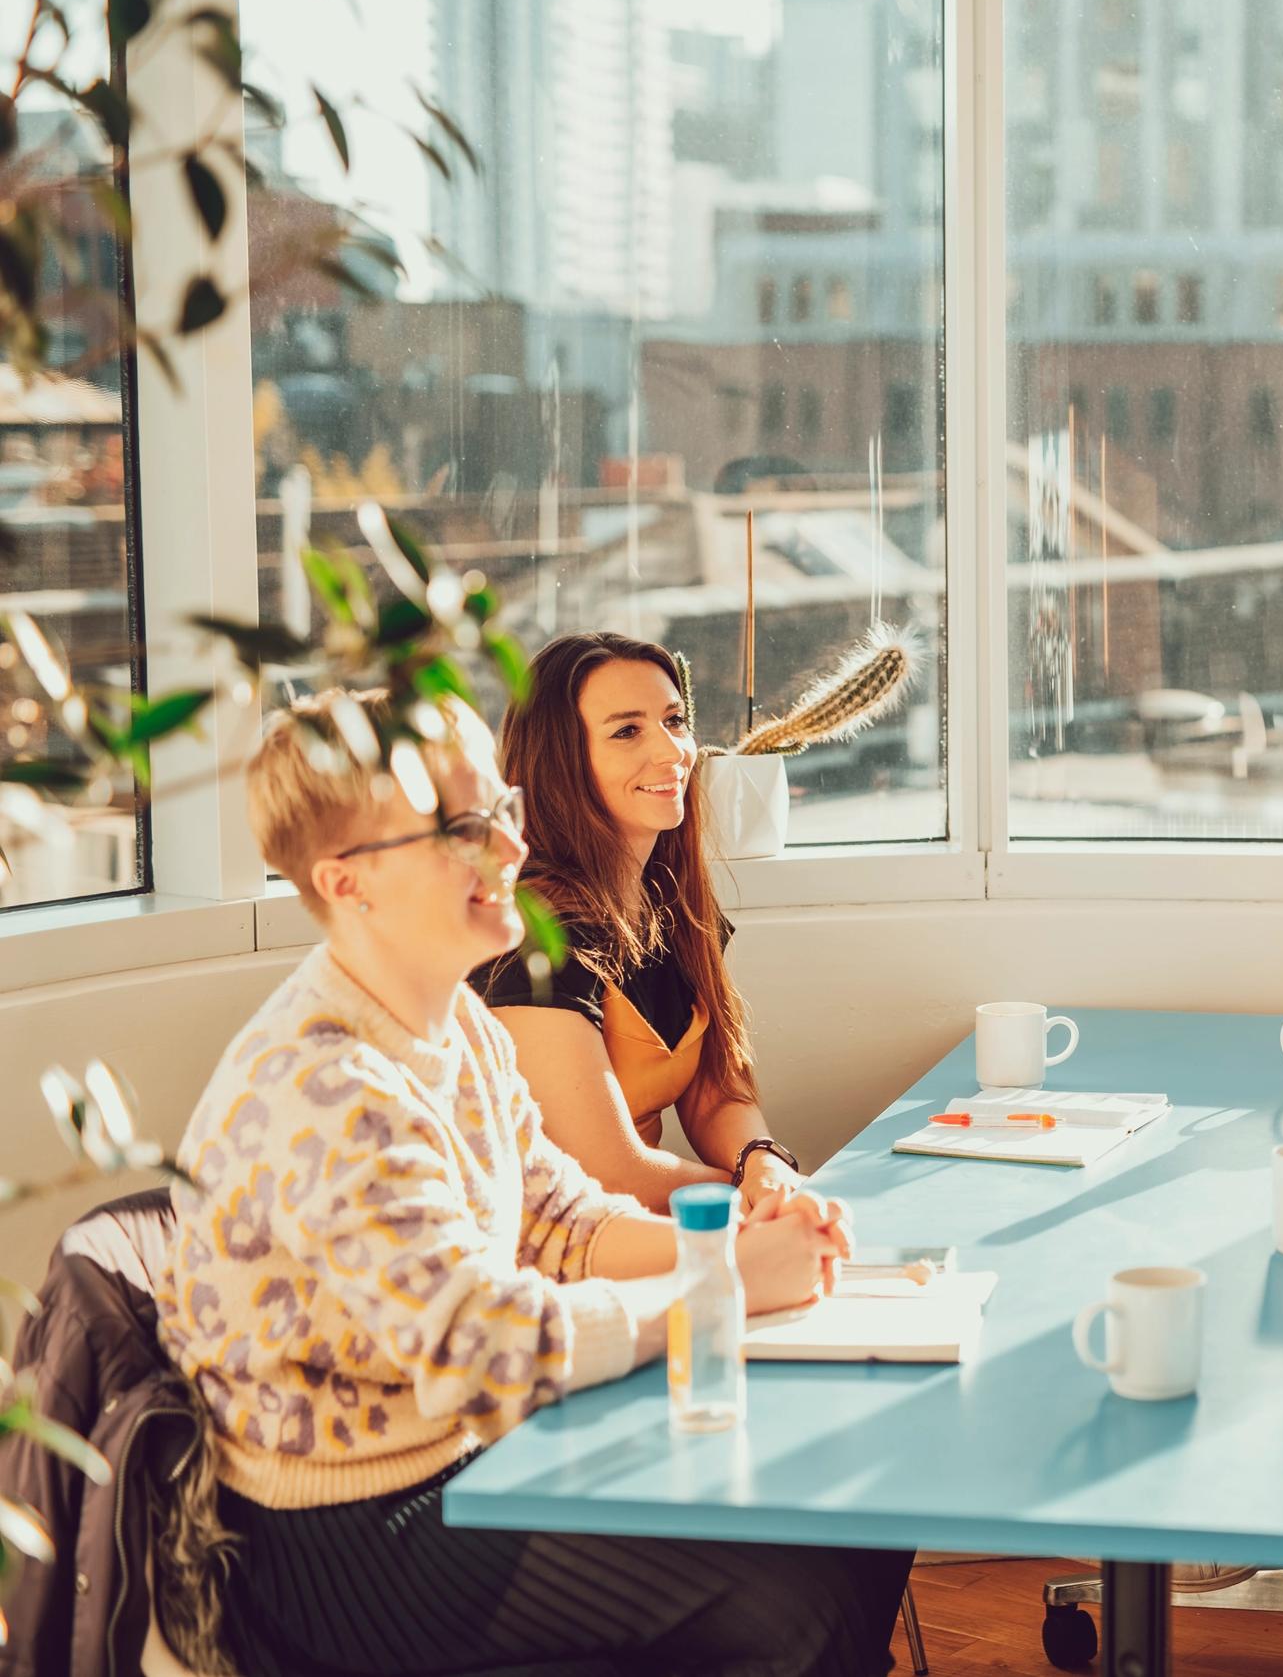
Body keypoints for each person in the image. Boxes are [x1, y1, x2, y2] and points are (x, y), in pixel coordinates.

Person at [157, 690, 915, 1677]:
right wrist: (717, 1290)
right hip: (346, 1539)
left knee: (855, 1517)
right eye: (462, 831)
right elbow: (483, 1347)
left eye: (502, 812)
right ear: (347, 885)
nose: (509, 852)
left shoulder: (450, 1020)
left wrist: (740, 1232)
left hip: (463, 1459)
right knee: (794, 1601)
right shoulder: (327, 1088)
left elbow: (559, 1220)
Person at [474, 632, 803, 1214]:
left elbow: (713, 1091)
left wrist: (762, 1161)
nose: (672, 751)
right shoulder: (530, 935)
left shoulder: (670, 901)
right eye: (627, 731)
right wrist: (750, 1200)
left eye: (674, 720)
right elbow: (608, 1172)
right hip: (541, 1248)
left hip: (642, 1227)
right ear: (561, 762)